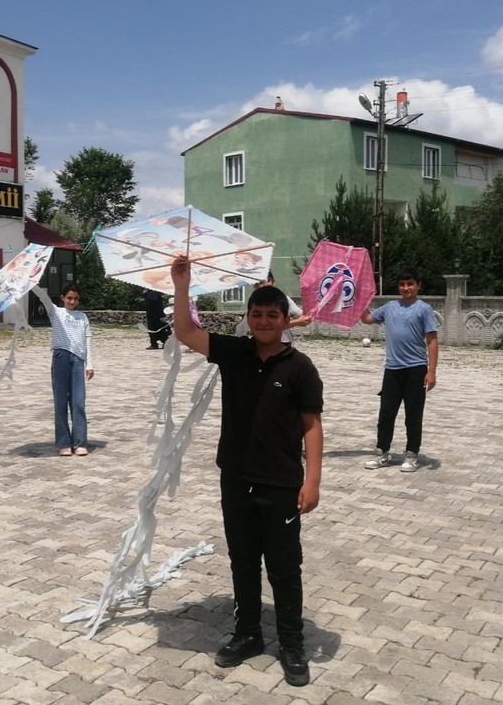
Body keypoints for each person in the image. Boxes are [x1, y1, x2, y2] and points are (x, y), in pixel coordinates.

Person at [170, 253, 323, 688]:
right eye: (256, 313)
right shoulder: (234, 353)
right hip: (235, 476)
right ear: (248, 317)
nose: (262, 321)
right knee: (242, 560)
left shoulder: (300, 368)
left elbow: (312, 427)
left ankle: (292, 643)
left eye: (271, 314)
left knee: (283, 564)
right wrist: (182, 285)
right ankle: (249, 633)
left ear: (284, 319)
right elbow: (185, 331)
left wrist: (311, 480)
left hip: (281, 482)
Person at [360, 271, 438, 473]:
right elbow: (368, 319)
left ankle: (412, 455)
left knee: (413, 415)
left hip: (416, 368)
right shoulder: (390, 307)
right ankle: (382, 453)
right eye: (402, 284)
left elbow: (432, 341)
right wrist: (358, 299)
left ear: (418, 285)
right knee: (386, 414)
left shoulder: (424, 310)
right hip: (392, 369)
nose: (406, 288)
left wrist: (432, 371)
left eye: (410, 284)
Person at [30, 283, 94, 456]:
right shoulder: (56, 312)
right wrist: (31, 281)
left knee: (78, 402)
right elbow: (42, 297)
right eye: (69, 298)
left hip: (78, 360)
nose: (72, 301)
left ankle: (80, 442)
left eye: (75, 299)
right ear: (62, 298)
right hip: (60, 358)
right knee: (60, 402)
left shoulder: (82, 317)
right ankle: (64, 442)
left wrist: (90, 364)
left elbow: (87, 340)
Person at [234, 271, 311, 345]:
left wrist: (307, 297)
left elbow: (304, 319)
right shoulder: (254, 304)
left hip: (284, 346)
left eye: (262, 282)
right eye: (256, 284)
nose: (260, 287)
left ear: (272, 282)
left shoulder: (285, 300)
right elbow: (241, 330)